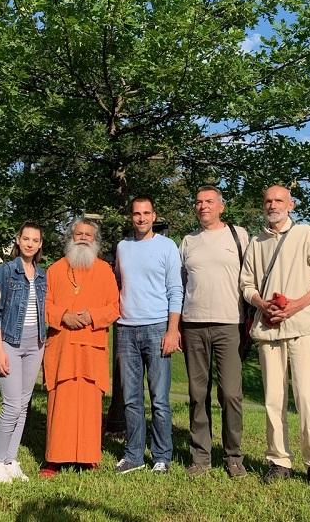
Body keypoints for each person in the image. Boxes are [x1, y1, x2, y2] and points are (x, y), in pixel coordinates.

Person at [240, 185, 310, 489]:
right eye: (267, 200)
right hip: (269, 329)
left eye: (278, 200)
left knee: (308, 399)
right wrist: (261, 303)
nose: (272, 205)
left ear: (291, 205)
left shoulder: (307, 235)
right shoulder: (256, 242)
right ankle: (278, 460)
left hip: (303, 329)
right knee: (273, 400)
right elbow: (246, 285)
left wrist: (295, 305)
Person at [40, 218, 120, 478]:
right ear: (70, 238)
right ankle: (54, 459)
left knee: (89, 405)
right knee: (60, 404)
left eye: (88, 234)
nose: (83, 238)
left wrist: (91, 316)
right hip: (62, 348)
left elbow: (114, 308)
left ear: (95, 240)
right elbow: (45, 304)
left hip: (90, 347)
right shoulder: (54, 270)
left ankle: (88, 457)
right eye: (78, 234)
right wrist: (63, 315)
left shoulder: (105, 270)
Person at [179, 186, 248, 479]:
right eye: (198, 202)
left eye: (209, 201)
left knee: (231, 394)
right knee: (197, 394)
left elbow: (251, 277)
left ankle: (233, 456)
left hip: (229, 323)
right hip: (193, 323)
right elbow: (180, 284)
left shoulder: (239, 235)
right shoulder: (187, 241)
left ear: (221, 206)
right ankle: (200, 457)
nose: (203, 206)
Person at [114, 196, 183, 475]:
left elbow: (175, 290)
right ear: (131, 217)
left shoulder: (167, 246)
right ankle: (133, 455)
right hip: (126, 329)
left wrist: (172, 330)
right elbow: (118, 283)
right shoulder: (122, 247)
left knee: (159, 399)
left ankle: (161, 456)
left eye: (146, 213)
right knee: (131, 398)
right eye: (136, 213)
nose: (141, 218)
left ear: (154, 216)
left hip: (157, 328)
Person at [0, 222, 46, 483]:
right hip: (10, 342)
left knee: (23, 406)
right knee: (11, 406)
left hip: (36, 344)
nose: (30, 243)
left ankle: (11, 460)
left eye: (35, 240)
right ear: (18, 240)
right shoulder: (6, 271)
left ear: (40, 244)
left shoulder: (43, 274)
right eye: (26, 238)